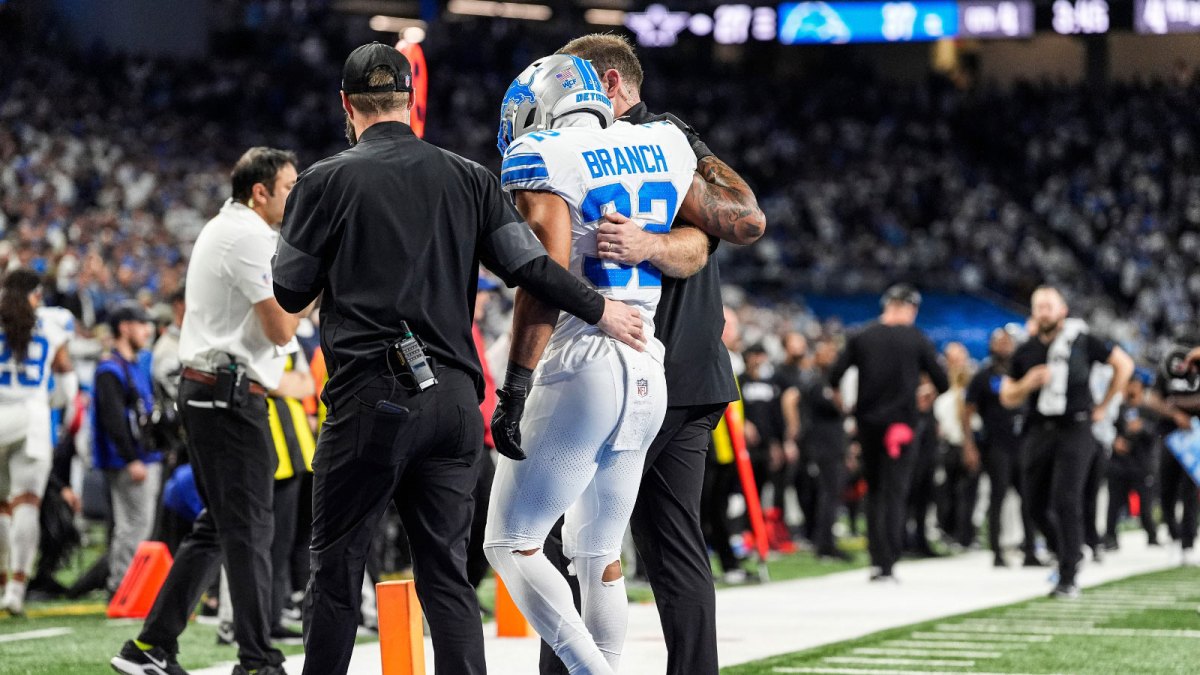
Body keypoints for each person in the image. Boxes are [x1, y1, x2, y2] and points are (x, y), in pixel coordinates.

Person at [269, 43, 648, 675]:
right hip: (452, 403)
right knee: (445, 576)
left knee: (336, 569)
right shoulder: (468, 176)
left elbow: (289, 291)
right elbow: (530, 268)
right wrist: (600, 309)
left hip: (371, 396)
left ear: (346, 105)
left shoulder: (324, 181)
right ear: (410, 100)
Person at [484, 50, 724, 672]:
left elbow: (543, 277)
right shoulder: (666, 141)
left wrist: (515, 386)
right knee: (598, 552)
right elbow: (717, 227)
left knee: (510, 541)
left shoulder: (544, 153)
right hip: (648, 357)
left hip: (581, 355)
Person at [538, 34, 766, 675]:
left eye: (570, 83)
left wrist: (646, 245)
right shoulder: (656, 149)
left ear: (609, 84)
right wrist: (662, 245)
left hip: (638, 375)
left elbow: (744, 220)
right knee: (654, 547)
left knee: (582, 545)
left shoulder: (660, 137)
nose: (558, 99)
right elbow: (707, 238)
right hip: (670, 375)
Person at [111, 147, 305, 675]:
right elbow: (282, 329)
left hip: (216, 391)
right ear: (259, 191)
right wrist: (323, 281)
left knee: (219, 527)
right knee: (248, 530)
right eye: (289, 185)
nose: (296, 192)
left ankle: (151, 647)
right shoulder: (246, 236)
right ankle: (257, 659)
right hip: (228, 394)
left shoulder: (236, 230)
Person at [1000, 286, 1133, 599]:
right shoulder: (1025, 350)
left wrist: (1103, 405)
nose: (1044, 311)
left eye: (1049, 306)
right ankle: (1067, 552)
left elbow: (1123, 365)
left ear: (1062, 310)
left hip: (1075, 427)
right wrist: (1026, 383)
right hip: (1038, 428)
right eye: (1039, 306)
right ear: (1033, 313)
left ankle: (1069, 575)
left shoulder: (1082, 341)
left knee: (1066, 498)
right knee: (1032, 503)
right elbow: (1006, 396)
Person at [829, 284, 948, 582]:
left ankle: (875, 557)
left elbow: (834, 376)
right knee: (895, 493)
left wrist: (846, 406)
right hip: (902, 426)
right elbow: (943, 381)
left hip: (868, 424)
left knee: (874, 490)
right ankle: (888, 562)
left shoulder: (862, 335)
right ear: (910, 308)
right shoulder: (916, 338)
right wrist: (925, 394)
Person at [0, 269, 76, 615]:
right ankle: (17, 587)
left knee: (2, 507)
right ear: (34, 294)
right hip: (32, 418)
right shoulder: (52, 322)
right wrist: (60, 406)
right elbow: (64, 379)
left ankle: (2, 581)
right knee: (26, 504)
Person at [92, 301, 163, 594]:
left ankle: (128, 587)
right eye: (141, 323)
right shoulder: (111, 369)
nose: (147, 330)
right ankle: (120, 587)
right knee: (131, 526)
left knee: (139, 526)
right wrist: (131, 458)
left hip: (143, 456)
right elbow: (113, 419)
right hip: (128, 461)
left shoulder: (135, 364)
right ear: (125, 327)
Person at [963, 328, 1040, 567]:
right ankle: (996, 551)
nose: (1005, 346)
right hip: (997, 444)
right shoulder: (983, 376)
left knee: (1029, 498)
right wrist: (969, 446)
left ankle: (1030, 551)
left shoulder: (1023, 373)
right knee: (997, 497)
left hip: (1024, 444)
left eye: (1008, 342)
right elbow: (967, 411)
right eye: (1000, 342)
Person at [803, 337, 851, 560]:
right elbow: (835, 407)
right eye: (827, 353)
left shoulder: (829, 382)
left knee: (832, 496)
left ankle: (827, 542)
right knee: (828, 495)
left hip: (835, 446)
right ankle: (824, 546)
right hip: (824, 447)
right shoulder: (816, 382)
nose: (833, 357)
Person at [1104, 376, 1160, 549]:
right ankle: (1110, 537)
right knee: (1114, 503)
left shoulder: (1149, 410)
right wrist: (1114, 441)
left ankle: (1152, 534)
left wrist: (1142, 427)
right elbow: (1105, 428)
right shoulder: (1117, 409)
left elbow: (1157, 434)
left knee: (1145, 503)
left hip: (1142, 464)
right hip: (1120, 464)